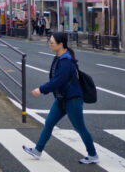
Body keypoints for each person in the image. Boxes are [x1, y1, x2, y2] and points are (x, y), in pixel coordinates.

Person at [22, 32, 98, 164]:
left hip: (73, 100)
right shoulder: (58, 58)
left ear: (60, 44)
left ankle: (93, 155)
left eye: (52, 43)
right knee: (49, 123)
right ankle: (37, 151)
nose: (50, 45)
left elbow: (58, 81)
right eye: (49, 42)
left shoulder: (66, 62)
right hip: (62, 98)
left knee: (80, 128)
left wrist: (41, 90)